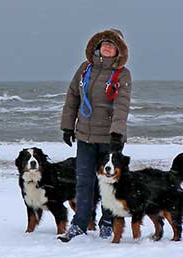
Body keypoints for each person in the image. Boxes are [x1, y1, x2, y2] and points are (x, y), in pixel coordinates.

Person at [58, 29, 132, 242]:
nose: (107, 47)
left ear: (118, 50)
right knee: (84, 181)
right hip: (85, 136)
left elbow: (122, 104)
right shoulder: (84, 70)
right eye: (104, 44)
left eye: (112, 45)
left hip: (110, 139)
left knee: (108, 183)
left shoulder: (122, 74)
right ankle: (79, 223)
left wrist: (117, 132)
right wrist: (67, 127)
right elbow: (72, 96)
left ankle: (107, 223)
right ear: (98, 47)